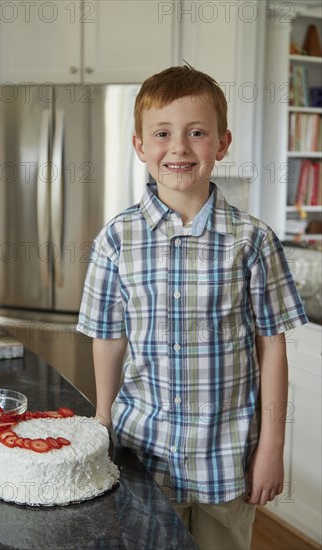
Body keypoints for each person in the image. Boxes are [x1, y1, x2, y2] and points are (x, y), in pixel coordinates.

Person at [77, 65, 308, 550]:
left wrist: (272, 447)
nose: (179, 147)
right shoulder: (116, 239)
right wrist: (101, 425)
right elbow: (109, 339)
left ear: (221, 144)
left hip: (227, 458)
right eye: (162, 133)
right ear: (140, 146)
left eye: (196, 133)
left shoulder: (254, 241)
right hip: (143, 453)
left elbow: (273, 350)